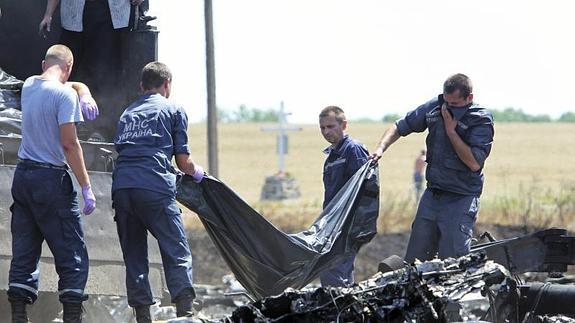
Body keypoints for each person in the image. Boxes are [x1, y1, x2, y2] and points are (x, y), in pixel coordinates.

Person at [7, 44, 97, 323]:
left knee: (25, 249)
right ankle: (72, 316)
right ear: (69, 67)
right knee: (71, 251)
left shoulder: (31, 85)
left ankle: (19, 316)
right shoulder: (64, 96)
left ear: (43, 63)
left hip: (23, 178)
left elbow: (60, 79)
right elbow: (70, 145)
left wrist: (83, 91)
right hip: (51, 180)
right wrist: (86, 187)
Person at [111, 61, 204, 322]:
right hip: (154, 187)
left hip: (123, 189)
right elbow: (183, 161)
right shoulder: (173, 109)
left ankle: (143, 315)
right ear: (167, 84)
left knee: (134, 254)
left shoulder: (127, 112)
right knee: (176, 248)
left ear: (142, 87)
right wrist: (198, 173)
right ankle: (185, 311)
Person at [370, 73, 494, 263]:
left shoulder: (480, 119)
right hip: (433, 195)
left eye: (455, 104)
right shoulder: (436, 107)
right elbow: (400, 126)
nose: (449, 109)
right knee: (415, 261)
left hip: (461, 198)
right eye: (447, 103)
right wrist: (380, 148)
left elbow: (474, 163)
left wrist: (451, 131)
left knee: (453, 262)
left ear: (469, 98)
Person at [39, 0, 144, 140]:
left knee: (107, 74)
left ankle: (102, 129)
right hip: (75, 17)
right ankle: (67, 126)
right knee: (69, 73)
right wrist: (48, 14)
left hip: (110, 17)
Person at [318, 106, 369, 287]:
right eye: (323, 127)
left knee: (333, 271)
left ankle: (337, 311)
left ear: (344, 125)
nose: (326, 131)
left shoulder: (353, 150)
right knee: (334, 272)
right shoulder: (332, 156)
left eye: (331, 126)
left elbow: (365, 188)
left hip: (347, 222)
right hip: (332, 223)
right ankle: (344, 311)